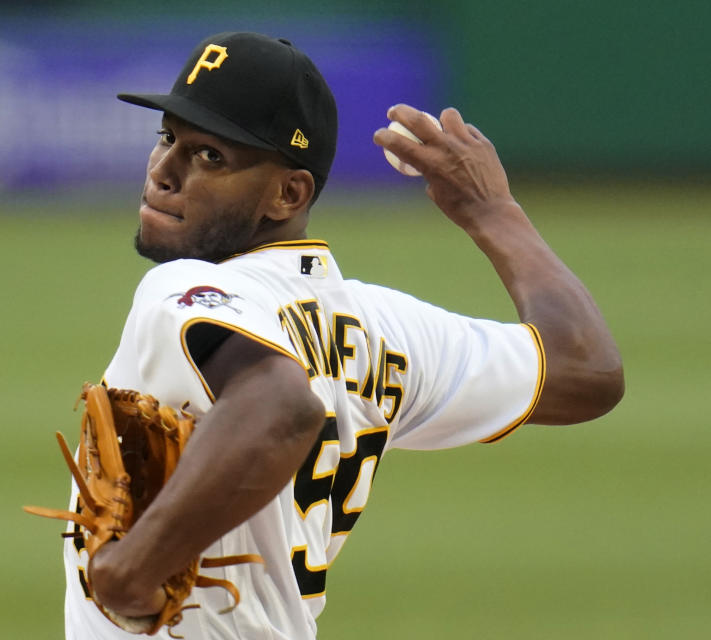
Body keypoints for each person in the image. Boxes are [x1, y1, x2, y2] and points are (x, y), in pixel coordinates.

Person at [61, 31, 624, 639]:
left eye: (209, 156)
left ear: (289, 193)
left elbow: (280, 407)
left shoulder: (181, 292)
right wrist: (493, 213)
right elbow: (585, 371)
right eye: (167, 138)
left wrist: (129, 571)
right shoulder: (385, 328)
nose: (163, 171)